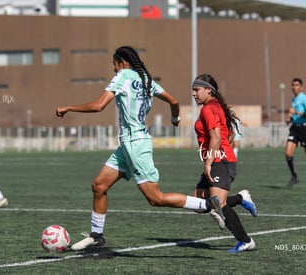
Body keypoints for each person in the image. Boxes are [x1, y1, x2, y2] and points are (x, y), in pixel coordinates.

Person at [55, 46, 224, 251]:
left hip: (135, 144)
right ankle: (96, 235)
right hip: (128, 145)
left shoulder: (123, 75)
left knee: (155, 198)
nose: (114, 70)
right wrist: (174, 118)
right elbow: (174, 101)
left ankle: (207, 205)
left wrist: (69, 107)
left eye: (114, 65)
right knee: (99, 186)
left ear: (121, 62)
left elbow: (99, 106)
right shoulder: (146, 79)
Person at [191, 73, 256, 252]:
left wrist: (208, 162)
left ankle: (246, 241)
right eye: (193, 90)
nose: (194, 94)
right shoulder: (214, 106)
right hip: (217, 159)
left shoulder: (208, 109)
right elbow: (225, 132)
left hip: (221, 160)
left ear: (208, 90)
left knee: (218, 203)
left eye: (197, 90)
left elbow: (216, 136)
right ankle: (242, 198)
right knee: (199, 204)